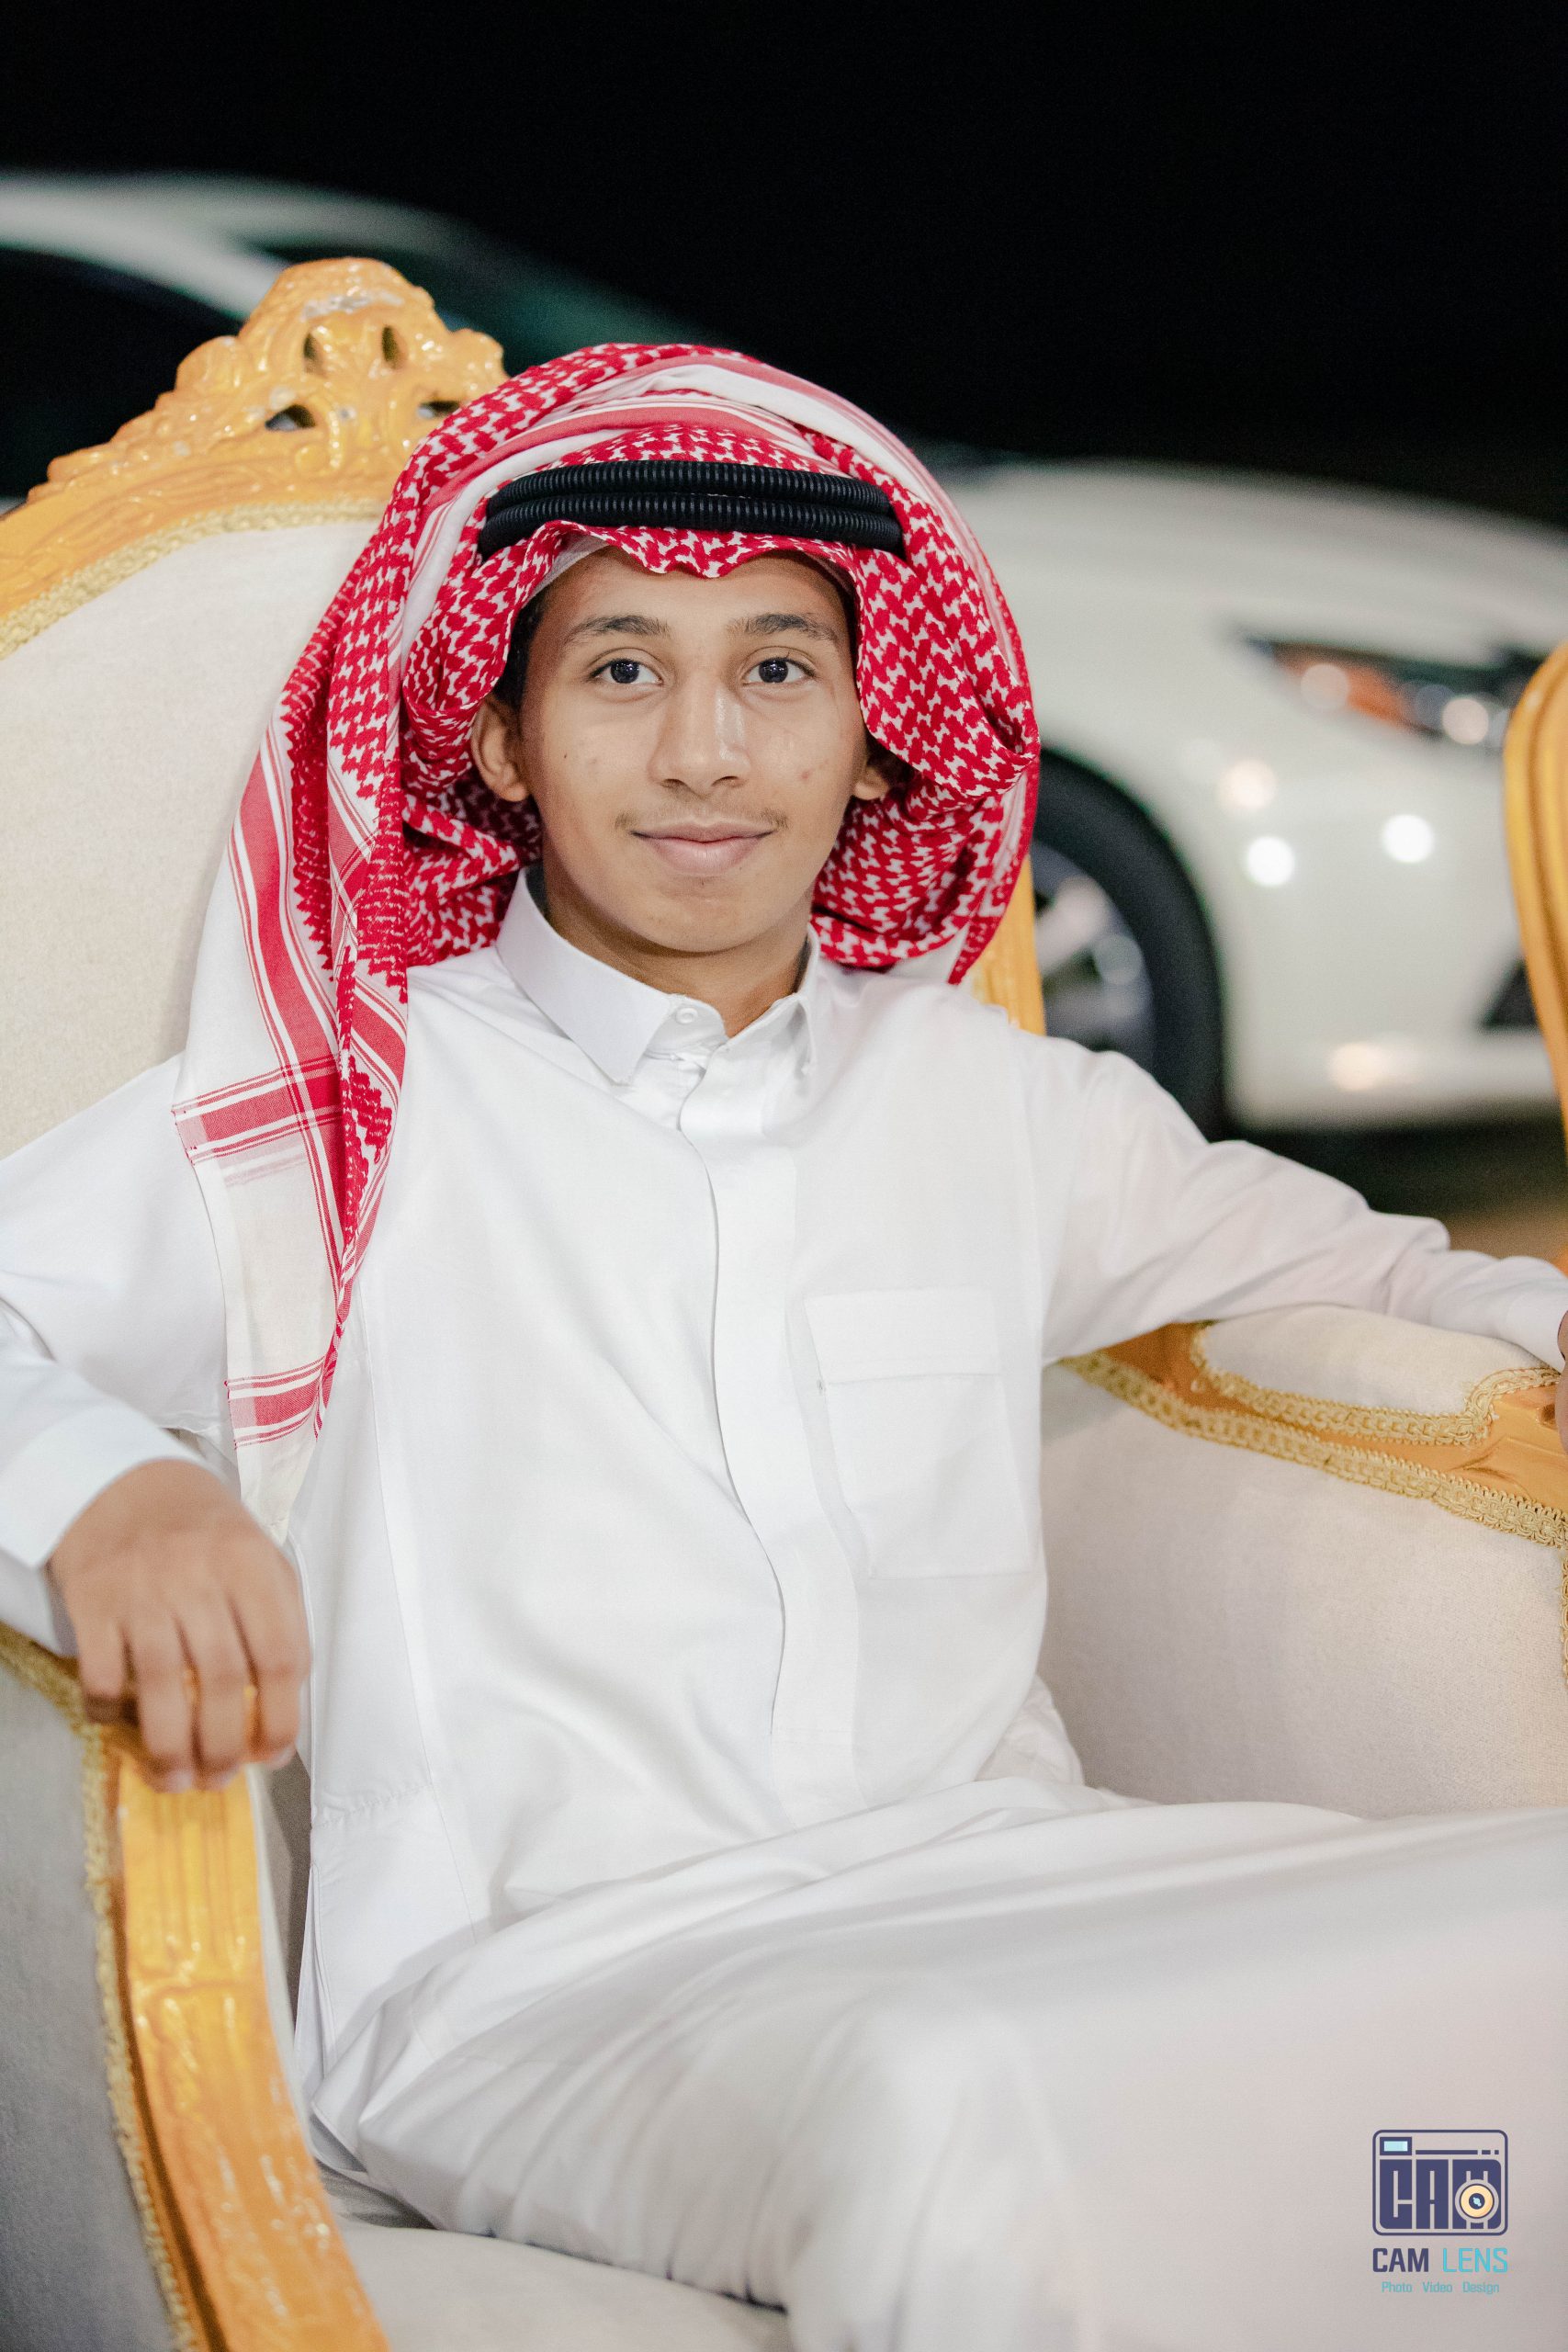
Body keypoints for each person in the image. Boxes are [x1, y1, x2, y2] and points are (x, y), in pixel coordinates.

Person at [1, 345, 1564, 2352]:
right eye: (620, 669)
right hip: (537, 1979)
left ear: (872, 734)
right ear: (499, 737)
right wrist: (109, 1491)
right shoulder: (337, 1110)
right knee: (950, 2099)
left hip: (1019, 1884)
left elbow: (1400, 1275)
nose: (706, 753)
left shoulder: (997, 1105)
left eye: (776, 669)